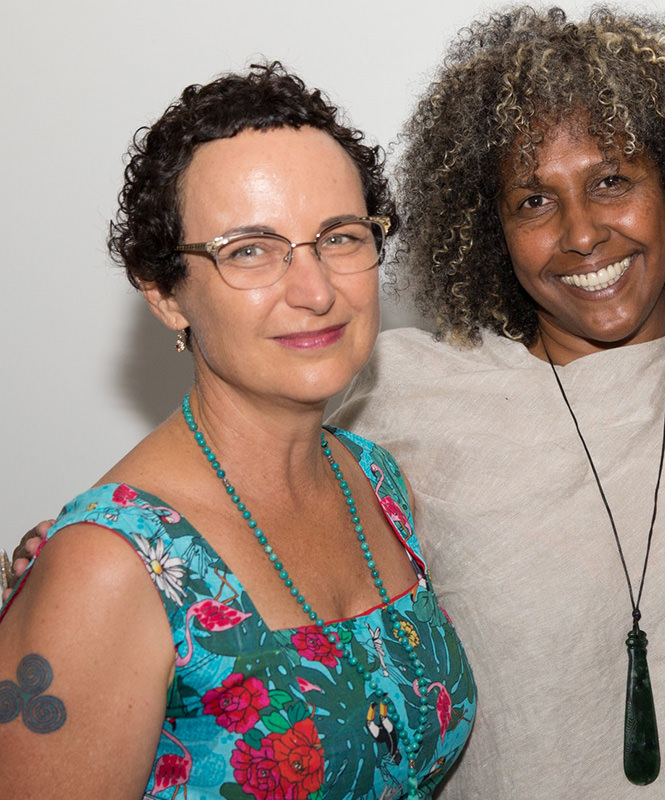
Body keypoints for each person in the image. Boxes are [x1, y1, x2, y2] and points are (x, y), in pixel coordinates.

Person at [329, 6, 665, 798]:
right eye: (534, 202)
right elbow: (251, 512)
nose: (582, 232)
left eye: (612, 181)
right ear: (488, 230)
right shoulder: (403, 390)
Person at [0, 64, 475, 799]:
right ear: (165, 295)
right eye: (249, 250)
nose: (315, 291)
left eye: (341, 238)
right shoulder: (109, 568)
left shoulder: (377, 482)